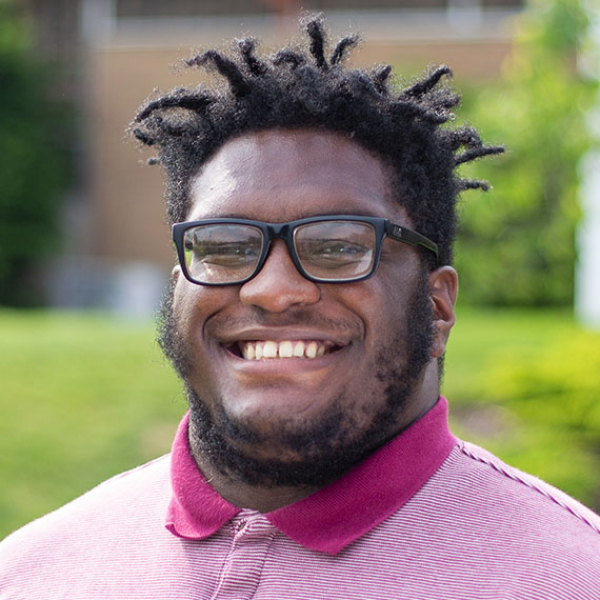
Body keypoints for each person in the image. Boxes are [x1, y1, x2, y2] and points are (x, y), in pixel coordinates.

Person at [1, 15, 599, 600]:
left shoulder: (571, 577)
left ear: (437, 306)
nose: (272, 289)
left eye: (338, 246)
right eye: (225, 246)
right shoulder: (30, 572)